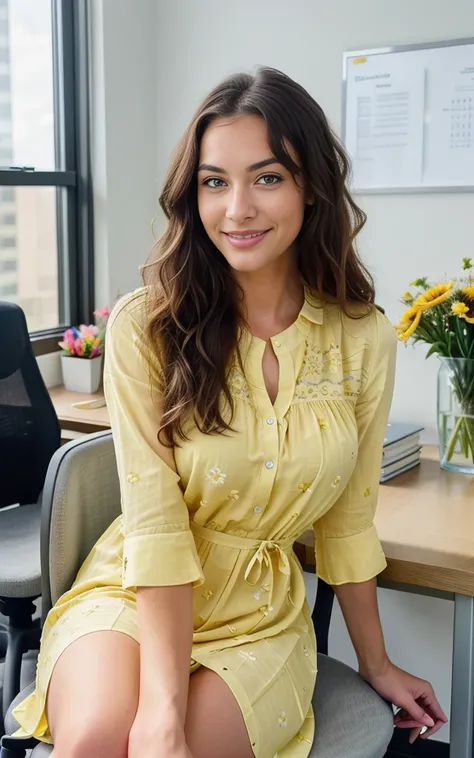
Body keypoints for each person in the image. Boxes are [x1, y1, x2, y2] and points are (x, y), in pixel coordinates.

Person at [12, 67, 447, 758]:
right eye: (215, 181)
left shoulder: (362, 339)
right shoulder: (144, 326)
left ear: (312, 188)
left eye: (267, 177)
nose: (237, 207)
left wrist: (378, 662)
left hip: (257, 616)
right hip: (134, 591)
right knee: (101, 739)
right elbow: (155, 527)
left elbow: (347, 524)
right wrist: (160, 710)